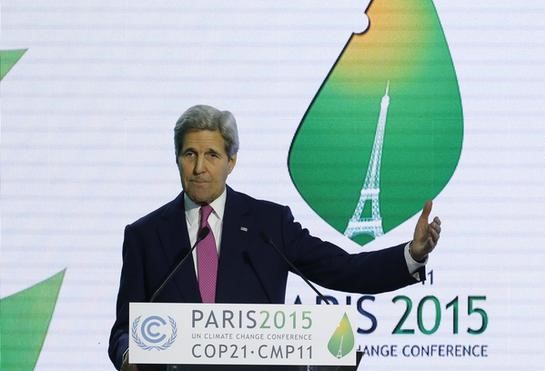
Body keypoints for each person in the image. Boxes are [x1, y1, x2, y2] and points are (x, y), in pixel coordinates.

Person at [109, 105, 442, 370]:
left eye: (211, 155)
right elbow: (123, 329)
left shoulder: (268, 224)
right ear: (177, 159)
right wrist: (128, 357)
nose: (199, 168)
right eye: (189, 154)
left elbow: (342, 268)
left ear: (231, 161)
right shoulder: (145, 235)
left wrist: (411, 254)